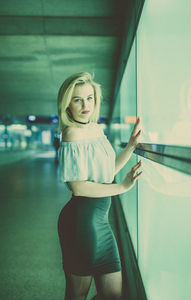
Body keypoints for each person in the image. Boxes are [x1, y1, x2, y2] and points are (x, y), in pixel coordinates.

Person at [57, 72, 142, 300]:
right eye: (78, 99)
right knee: (77, 295)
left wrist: (131, 147)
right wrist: (122, 187)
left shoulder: (95, 128)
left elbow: (105, 174)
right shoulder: (72, 134)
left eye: (90, 97)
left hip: (100, 223)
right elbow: (79, 188)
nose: (85, 104)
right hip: (81, 223)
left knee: (113, 295)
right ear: (67, 105)